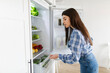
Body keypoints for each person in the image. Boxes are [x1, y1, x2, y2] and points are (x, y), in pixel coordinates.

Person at [49, 8, 98, 73]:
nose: (63, 21)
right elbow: (90, 40)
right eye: (63, 19)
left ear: (71, 18)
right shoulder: (80, 29)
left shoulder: (76, 33)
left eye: (65, 19)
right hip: (89, 62)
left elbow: (74, 58)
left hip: (88, 65)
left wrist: (59, 55)